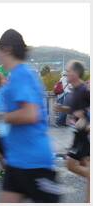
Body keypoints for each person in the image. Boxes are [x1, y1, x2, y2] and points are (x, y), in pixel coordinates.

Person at [0, 29, 60, 203]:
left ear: (7, 49)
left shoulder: (21, 74)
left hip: (34, 162)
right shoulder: (15, 75)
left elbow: (30, 114)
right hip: (17, 160)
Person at [54, 60, 90, 202]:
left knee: (70, 164)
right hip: (79, 135)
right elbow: (75, 110)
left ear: (75, 73)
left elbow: (86, 111)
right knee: (85, 167)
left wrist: (86, 118)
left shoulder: (84, 90)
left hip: (84, 135)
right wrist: (63, 109)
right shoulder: (74, 90)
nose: (66, 73)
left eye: (68, 71)